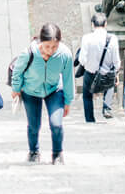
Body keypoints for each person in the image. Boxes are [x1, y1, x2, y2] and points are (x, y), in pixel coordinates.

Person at [10, 22, 76, 164]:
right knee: (34, 125)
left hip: (54, 90)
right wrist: (16, 89)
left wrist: (68, 101)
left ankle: (57, 153)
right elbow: (17, 71)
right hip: (31, 91)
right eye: (47, 46)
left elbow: (68, 79)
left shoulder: (64, 55)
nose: (51, 50)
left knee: (56, 124)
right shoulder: (29, 53)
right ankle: (34, 151)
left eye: (55, 46)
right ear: (41, 41)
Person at [76, 12, 121, 122]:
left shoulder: (86, 38)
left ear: (92, 24)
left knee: (87, 96)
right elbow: (116, 60)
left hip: (90, 72)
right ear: (105, 24)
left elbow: (82, 60)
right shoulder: (112, 38)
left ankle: (90, 119)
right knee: (110, 84)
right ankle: (106, 108)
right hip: (106, 73)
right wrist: (116, 71)